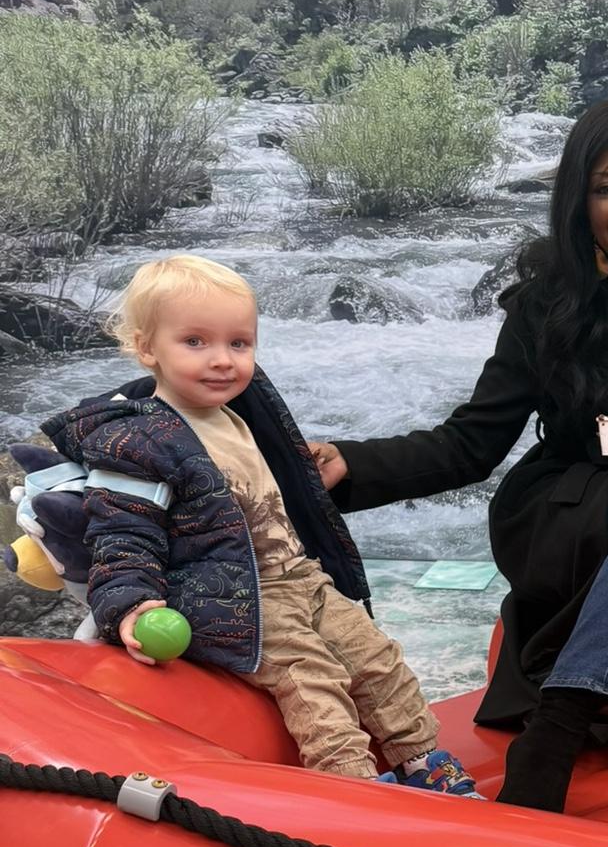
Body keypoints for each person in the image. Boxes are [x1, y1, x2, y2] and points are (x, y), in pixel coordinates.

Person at [312, 101, 608, 813]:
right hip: (562, 513)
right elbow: (471, 443)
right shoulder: (548, 304)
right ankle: (558, 733)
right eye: (606, 188)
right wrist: (349, 465)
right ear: (581, 203)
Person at [42, 255, 480, 796]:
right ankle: (354, 789)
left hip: (298, 577)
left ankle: (422, 761)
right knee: (309, 675)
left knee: (376, 657)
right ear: (147, 348)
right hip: (232, 595)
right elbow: (122, 532)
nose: (223, 360)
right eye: (196, 342)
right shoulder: (141, 442)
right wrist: (132, 604)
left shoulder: (239, 416)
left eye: (239, 344)